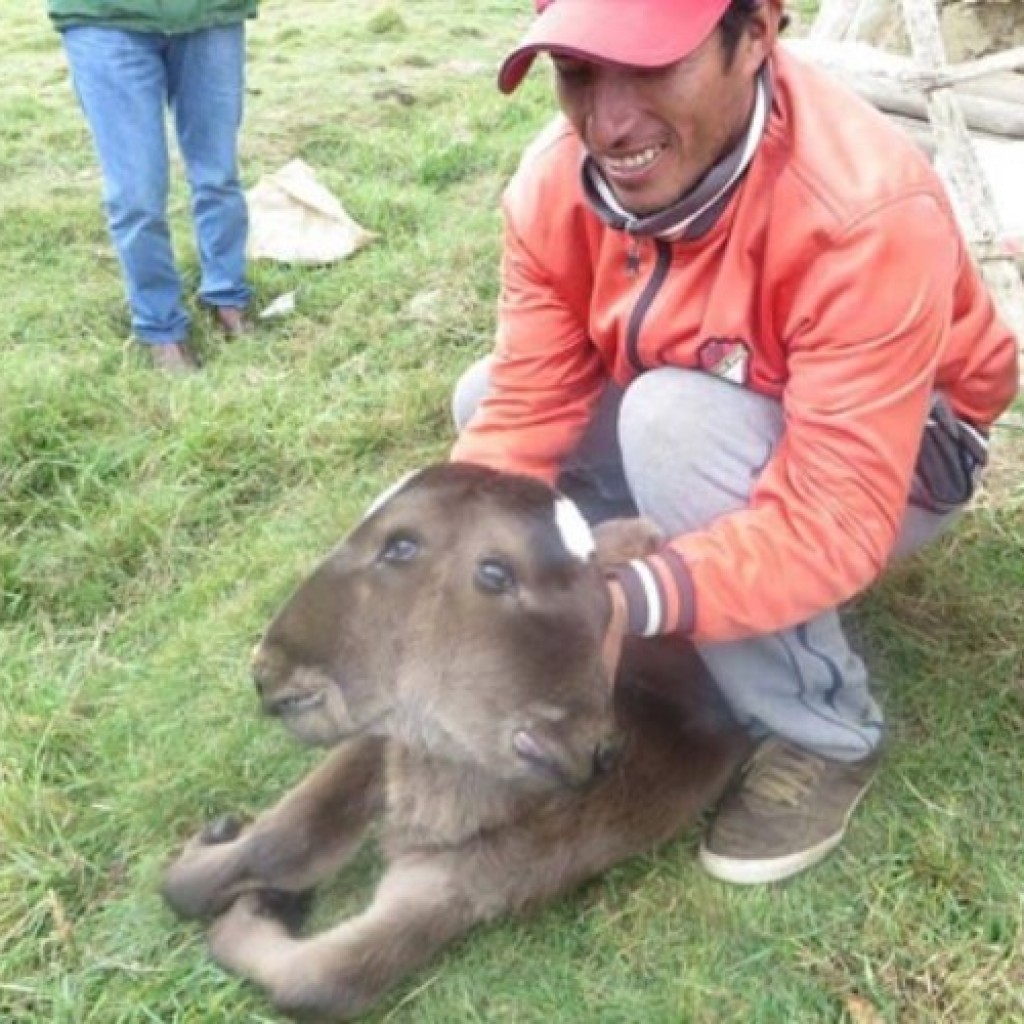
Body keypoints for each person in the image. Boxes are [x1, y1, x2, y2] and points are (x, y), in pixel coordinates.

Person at [451, 0, 1019, 885]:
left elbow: (835, 514)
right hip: (710, 401)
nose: (609, 123)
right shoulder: (554, 184)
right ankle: (685, 615)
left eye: (650, 66)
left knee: (674, 423)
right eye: (580, 72)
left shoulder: (865, 208)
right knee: (480, 408)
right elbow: (526, 402)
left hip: (906, 450)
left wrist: (625, 601)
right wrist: (446, 571)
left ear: (756, 33)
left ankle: (823, 729)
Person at [48, 0, 258, 372]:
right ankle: (161, 326)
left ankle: (227, 295)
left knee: (218, 174)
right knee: (136, 195)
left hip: (210, 13)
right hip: (104, 17)